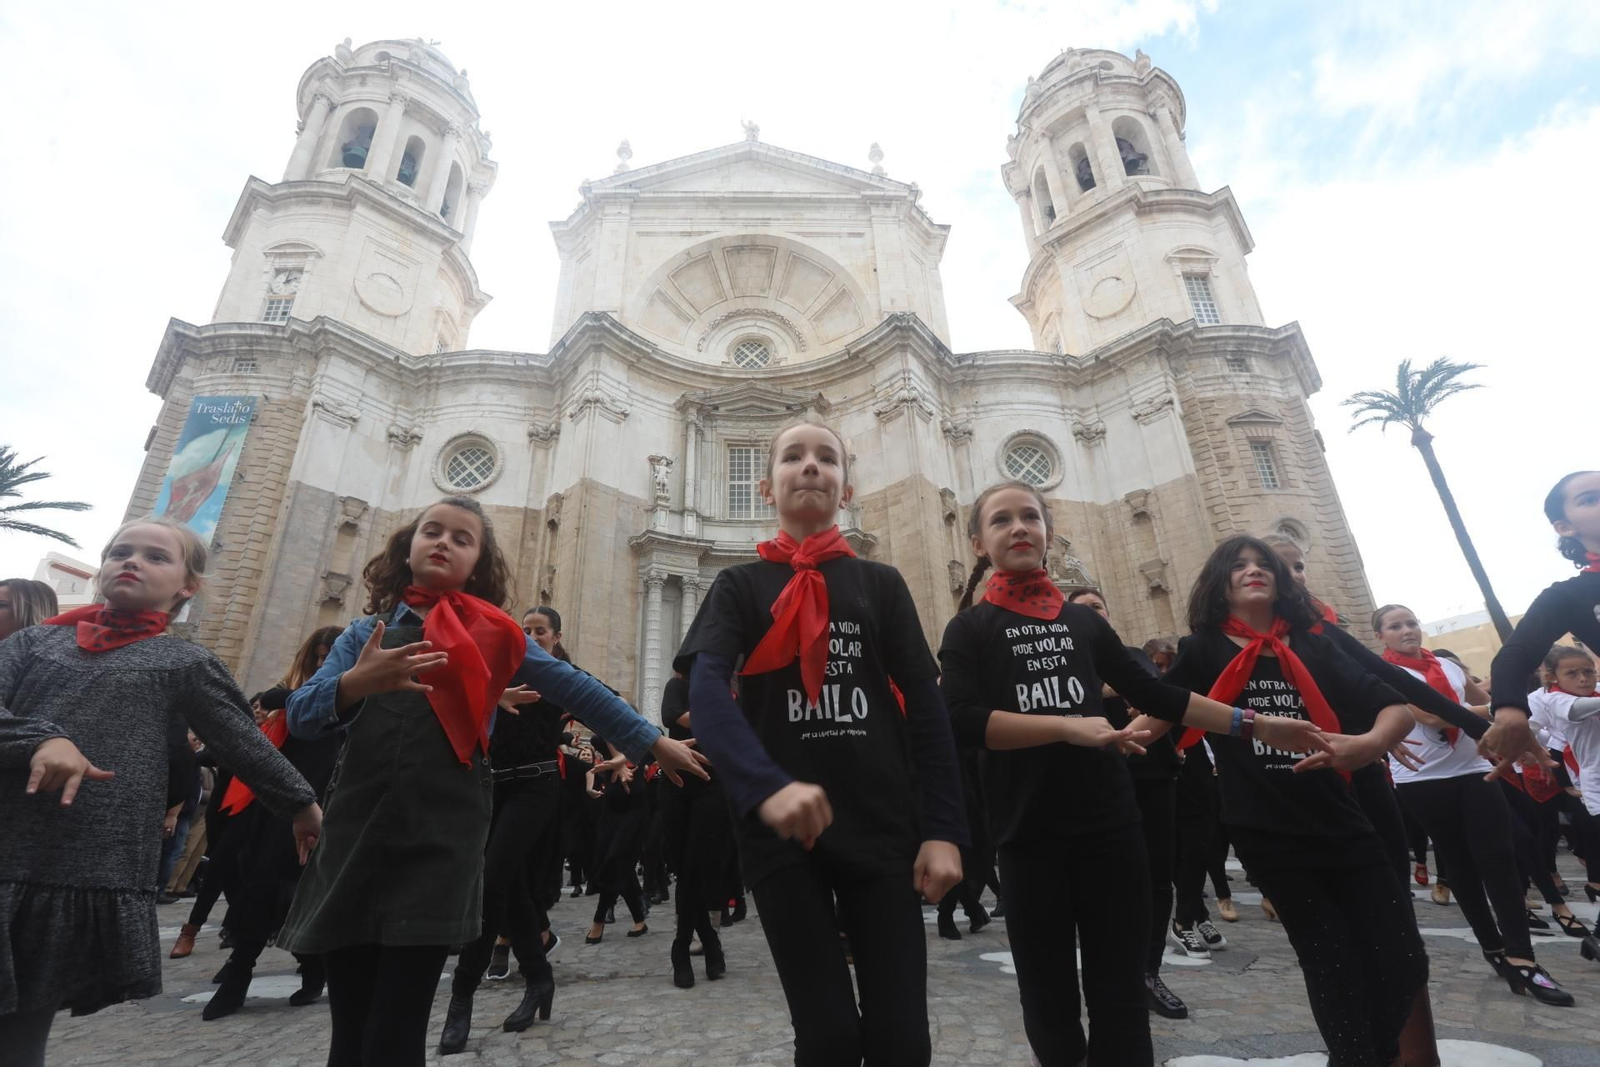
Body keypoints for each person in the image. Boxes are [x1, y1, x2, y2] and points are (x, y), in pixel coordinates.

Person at [277, 495, 707, 1067]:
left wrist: (653, 743)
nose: (443, 543)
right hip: (356, 826)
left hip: (441, 830)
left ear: (477, 564)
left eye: (462, 538)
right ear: (408, 547)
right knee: (349, 1028)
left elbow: (578, 689)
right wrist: (354, 684)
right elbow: (302, 714)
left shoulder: (497, 633)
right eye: (432, 530)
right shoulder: (362, 636)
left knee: (398, 1025)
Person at [939, 486, 1328, 1066]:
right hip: (1027, 836)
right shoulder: (969, 629)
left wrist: (1253, 723)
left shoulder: (1083, 624)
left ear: (1048, 534)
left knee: (1119, 991)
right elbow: (962, 721)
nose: (1019, 528)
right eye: (1002, 520)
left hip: (1111, 830)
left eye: (1030, 517)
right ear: (979, 542)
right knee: (1047, 995)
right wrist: (1068, 727)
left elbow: (1160, 694)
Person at [676, 419, 968, 1067]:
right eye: (793, 456)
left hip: (882, 826)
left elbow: (927, 708)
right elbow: (705, 694)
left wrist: (944, 827)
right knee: (828, 1035)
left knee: (902, 1039)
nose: (811, 465)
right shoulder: (737, 587)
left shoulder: (881, 583)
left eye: (826, 457)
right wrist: (763, 785)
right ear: (765, 485)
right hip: (780, 840)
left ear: (847, 487)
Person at [0, 517, 322, 1067]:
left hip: (83, 865)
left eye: (155, 556)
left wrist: (301, 803)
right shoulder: (34, 642)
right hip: (9, 844)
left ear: (186, 587)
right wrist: (42, 738)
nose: (132, 561)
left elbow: (242, 741)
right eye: (120, 551)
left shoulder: (184, 662)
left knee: (22, 1026)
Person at [1136, 536, 1429, 1067]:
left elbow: (1394, 707)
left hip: (1342, 818)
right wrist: (1098, 736)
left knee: (1405, 959)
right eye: (1239, 565)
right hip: (1266, 826)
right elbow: (1158, 713)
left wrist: (1366, 745)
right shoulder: (1202, 649)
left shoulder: (1314, 644)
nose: (1254, 571)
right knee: (1330, 961)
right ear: (1219, 582)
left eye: (1263, 564)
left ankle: (1374, 1054)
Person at [1375, 604, 1575, 1004]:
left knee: (1499, 857)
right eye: (1395, 626)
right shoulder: (1384, 673)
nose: (1407, 630)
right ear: (1381, 637)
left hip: (1472, 770)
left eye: (1412, 622)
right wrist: (1492, 713)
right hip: (1423, 779)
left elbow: (1487, 700)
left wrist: (1496, 710)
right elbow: (1431, 717)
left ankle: (1522, 958)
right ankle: (1493, 948)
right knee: (1460, 862)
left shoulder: (1448, 668)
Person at [446, 605, 597, 1048]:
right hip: (492, 788)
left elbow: (603, 701)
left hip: (536, 788)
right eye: (525, 629)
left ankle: (462, 996)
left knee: (491, 881)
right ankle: (539, 978)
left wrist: (644, 744)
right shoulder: (495, 670)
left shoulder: (560, 675)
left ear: (556, 636)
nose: (532, 635)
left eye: (540, 631)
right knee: (510, 887)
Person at [201, 625, 347, 1020]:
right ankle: (243, 973)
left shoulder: (346, 697)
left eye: (328, 655)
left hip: (324, 801)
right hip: (277, 801)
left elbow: (282, 698)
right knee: (256, 879)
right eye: (316, 655)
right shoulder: (294, 696)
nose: (321, 663)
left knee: (290, 888)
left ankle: (301, 966)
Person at [1067, 587, 1196, 1017]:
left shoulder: (1130, 655)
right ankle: (1112, 970)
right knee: (1105, 880)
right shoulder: (1065, 656)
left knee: (1159, 877)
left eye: (1099, 606)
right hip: (1097, 782)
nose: (1094, 614)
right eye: (1083, 609)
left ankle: (1148, 970)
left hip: (1153, 775)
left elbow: (1158, 690)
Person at [658, 670, 731, 987]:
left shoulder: (726, 688)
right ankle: (711, 943)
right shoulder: (678, 685)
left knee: (696, 865)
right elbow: (673, 716)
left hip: (712, 783)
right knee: (684, 869)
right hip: (675, 783)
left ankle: (680, 949)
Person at [1531, 644, 1600, 965]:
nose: (1583, 678)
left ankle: (1597, 939)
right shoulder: (1558, 700)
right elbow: (1576, 712)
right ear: (1552, 677)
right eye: (1572, 673)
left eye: (1588, 671)